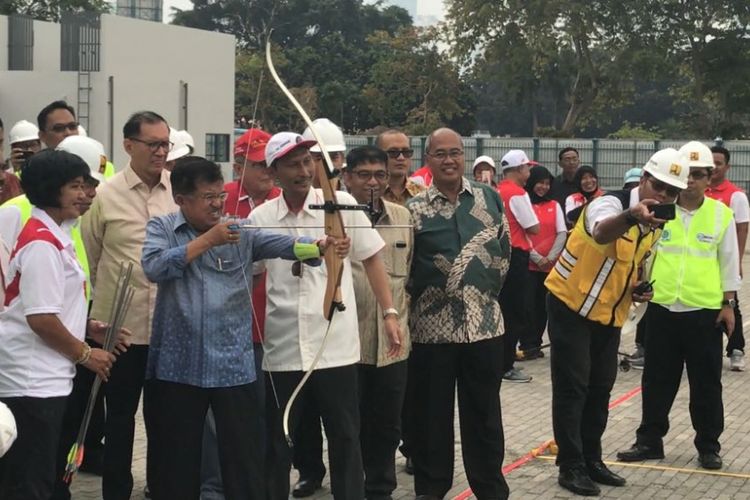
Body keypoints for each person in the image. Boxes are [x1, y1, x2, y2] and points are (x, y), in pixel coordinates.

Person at [141, 157, 335, 500]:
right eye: (207, 197)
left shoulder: (240, 230)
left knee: (244, 460)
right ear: (181, 199)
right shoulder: (162, 228)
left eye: (220, 195)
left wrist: (317, 246)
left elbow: (285, 245)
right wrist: (208, 241)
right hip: (178, 367)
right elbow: (155, 266)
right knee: (176, 462)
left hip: (233, 366)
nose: (218, 204)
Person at [249, 131, 402, 500]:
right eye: (292, 164)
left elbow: (371, 259)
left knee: (345, 436)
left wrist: (390, 312)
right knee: (278, 440)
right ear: (274, 171)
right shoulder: (261, 216)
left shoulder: (340, 204)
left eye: (308, 162)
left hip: (334, 343)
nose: (303, 171)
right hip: (283, 345)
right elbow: (246, 272)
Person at [544, 148, 688, 496]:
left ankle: (592, 458)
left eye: (672, 191)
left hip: (609, 315)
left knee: (600, 387)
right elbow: (601, 233)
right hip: (570, 306)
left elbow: (629, 262)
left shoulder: (658, 221)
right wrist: (631, 216)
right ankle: (571, 465)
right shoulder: (609, 203)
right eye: (659, 186)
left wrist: (637, 287)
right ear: (643, 180)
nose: (664, 195)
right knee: (573, 387)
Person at [0, 150, 123, 500]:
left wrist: (88, 327)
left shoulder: (57, 234)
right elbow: (40, 318)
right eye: (76, 187)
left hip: (47, 376)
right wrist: (86, 354)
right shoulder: (41, 242)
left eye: (87, 186)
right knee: (29, 481)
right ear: (50, 189)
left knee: (42, 474)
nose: (87, 194)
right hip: (31, 380)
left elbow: (50, 305)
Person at [617, 141, 739, 471]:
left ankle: (708, 445)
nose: (692, 181)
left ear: (710, 178)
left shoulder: (720, 215)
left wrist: (729, 305)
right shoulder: (658, 212)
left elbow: (730, 263)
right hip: (662, 309)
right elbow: (643, 254)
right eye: (687, 174)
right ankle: (649, 441)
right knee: (657, 380)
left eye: (699, 175)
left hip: (703, 312)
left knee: (706, 384)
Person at [406, 128, 511, 500]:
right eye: (440, 154)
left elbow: (504, 255)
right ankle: (432, 490)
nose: (449, 160)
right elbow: (406, 270)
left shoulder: (490, 199)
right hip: (432, 333)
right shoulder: (414, 209)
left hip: (484, 329)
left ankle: (490, 488)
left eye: (456, 152)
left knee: (484, 416)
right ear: (428, 159)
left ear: (464, 156)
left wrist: (484, 297)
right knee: (431, 418)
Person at [81, 111, 177, 500]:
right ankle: (116, 491)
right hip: (119, 330)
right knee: (119, 419)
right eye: (152, 144)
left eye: (164, 144)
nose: (160, 152)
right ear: (128, 145)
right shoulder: (104, 195)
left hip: (169, 327)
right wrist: (89, 321)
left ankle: (160, 487)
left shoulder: (178, 192)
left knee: (164, 419)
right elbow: (87, 261)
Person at [199, 127, 278, 500]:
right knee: (218, 418)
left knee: (262, 414)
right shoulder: (220, 199)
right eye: (260, 164)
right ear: (239, 163)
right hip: (226, 326)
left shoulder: (282, 200)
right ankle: (215, 486)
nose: (269, 172)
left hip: (270, 326)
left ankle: (257, 483)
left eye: (271, 164)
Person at [341, 146, 412, 500]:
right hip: (345, 344)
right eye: (364, 174)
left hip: (391, 345)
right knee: (348, 425)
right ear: (347, 177)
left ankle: (380, 488)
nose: (373, 182)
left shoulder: (402, 216)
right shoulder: (332, 217)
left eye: (380, 175)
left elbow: (408, 274)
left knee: (386, 425)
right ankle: (350, 486)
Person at [497, 149, 539, 383]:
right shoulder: (518, 193)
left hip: (501, 254)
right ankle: (506, 364)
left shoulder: (496, 191)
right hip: (517, 255)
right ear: (518, 169)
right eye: (527, 167)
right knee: (515, 312)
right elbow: (533, 227)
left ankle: (499, 360)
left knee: (502, 309)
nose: (529, 172)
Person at [707, 145, 748, 371]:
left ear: (727, 167)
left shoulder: (736, 195)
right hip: (703, 262)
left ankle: (736, 348)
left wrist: (737, 261)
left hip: (724, 260)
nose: (714, 167)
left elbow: (742, 230)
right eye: (710, 163)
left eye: (719, 163)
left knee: (731, 304)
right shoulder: (695, 192)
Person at [520, 166, 566, 360]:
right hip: (529, 264)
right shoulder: (524, 203)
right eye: (540, 182)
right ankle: (526, 344)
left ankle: (536, 344)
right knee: (527, 306)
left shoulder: (554, 205)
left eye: (547, 183)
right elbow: (520, 233)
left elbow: (562, 232)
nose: (543, 187)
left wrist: (550, 258)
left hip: (550, 266)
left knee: (544, 306)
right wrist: (536, 257)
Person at [376, 129, 425, 205]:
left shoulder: (424, 195)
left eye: (406, 152)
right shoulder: (369, 193)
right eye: (393, 152)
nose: (401, 158)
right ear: (377, 156)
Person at [302, 118, 346, 191]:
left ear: (342, 160)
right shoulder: (297, 200)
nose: (328, 164)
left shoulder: (350, 200)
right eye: (319, 158)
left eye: (333, 158)